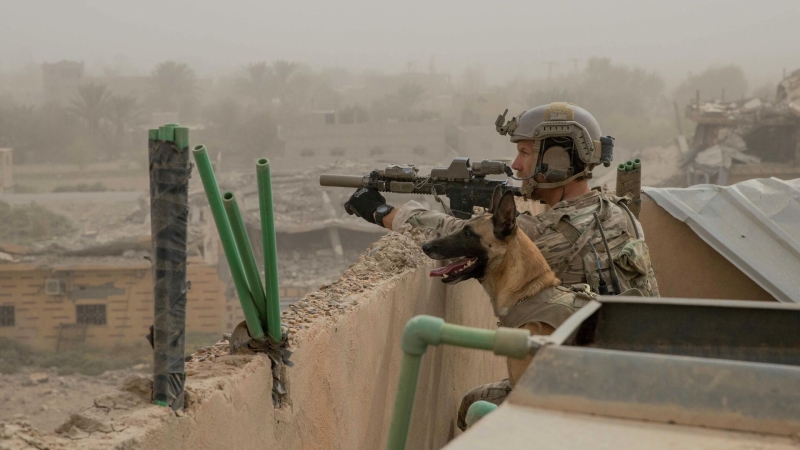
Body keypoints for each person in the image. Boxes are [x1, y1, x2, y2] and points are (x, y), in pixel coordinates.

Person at [344, 102, 660, 429]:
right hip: (637, 376)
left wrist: (385, 213)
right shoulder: (619, 212)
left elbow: (462, 236)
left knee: (475, 407)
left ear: (557, 160)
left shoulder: (546, 235)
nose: (516, 165)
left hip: (590, 393)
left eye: (525, 153)